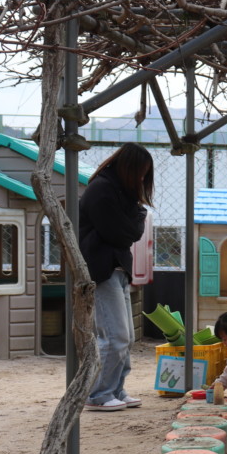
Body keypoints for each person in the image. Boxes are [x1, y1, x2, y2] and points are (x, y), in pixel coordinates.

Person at [81, 143, 153, 412]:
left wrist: (134, 221)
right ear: (129, 168)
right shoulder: (102, 190)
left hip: (118, 269)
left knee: (126, 337)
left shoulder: (119, 192)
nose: (142, 179)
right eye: (141, 172)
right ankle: (98, 394)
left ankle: (116, 389)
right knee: (114, 336)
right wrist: (135, 220)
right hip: (102, 270)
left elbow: (131, 231)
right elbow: (122, 234)